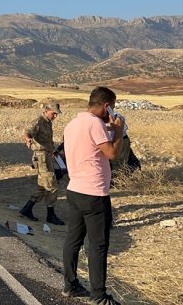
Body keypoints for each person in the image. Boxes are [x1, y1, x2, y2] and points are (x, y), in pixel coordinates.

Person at [61, 87, 125, 305]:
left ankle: (70, 286)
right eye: (112, 107)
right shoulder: (95, 124)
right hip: (95, 192)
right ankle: (98, 295)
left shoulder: (73, 124)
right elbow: (112, 153)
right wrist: (119, 129)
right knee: (98, 245)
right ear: (107, 105)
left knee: (73, 240)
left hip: (75, 189)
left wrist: (109, 128)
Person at [20, 102, 65, 225]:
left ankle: (26, 209)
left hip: (47, 155)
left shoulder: (48, 122)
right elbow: (28, 131)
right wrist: (28, 138)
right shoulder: (39, 121)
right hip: (42, 157)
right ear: (46, 110)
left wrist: (53, 150)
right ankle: (51, 215)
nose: (55, 116)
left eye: (56, 114)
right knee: (52, 185)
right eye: (53, 113)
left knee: (43, 187)